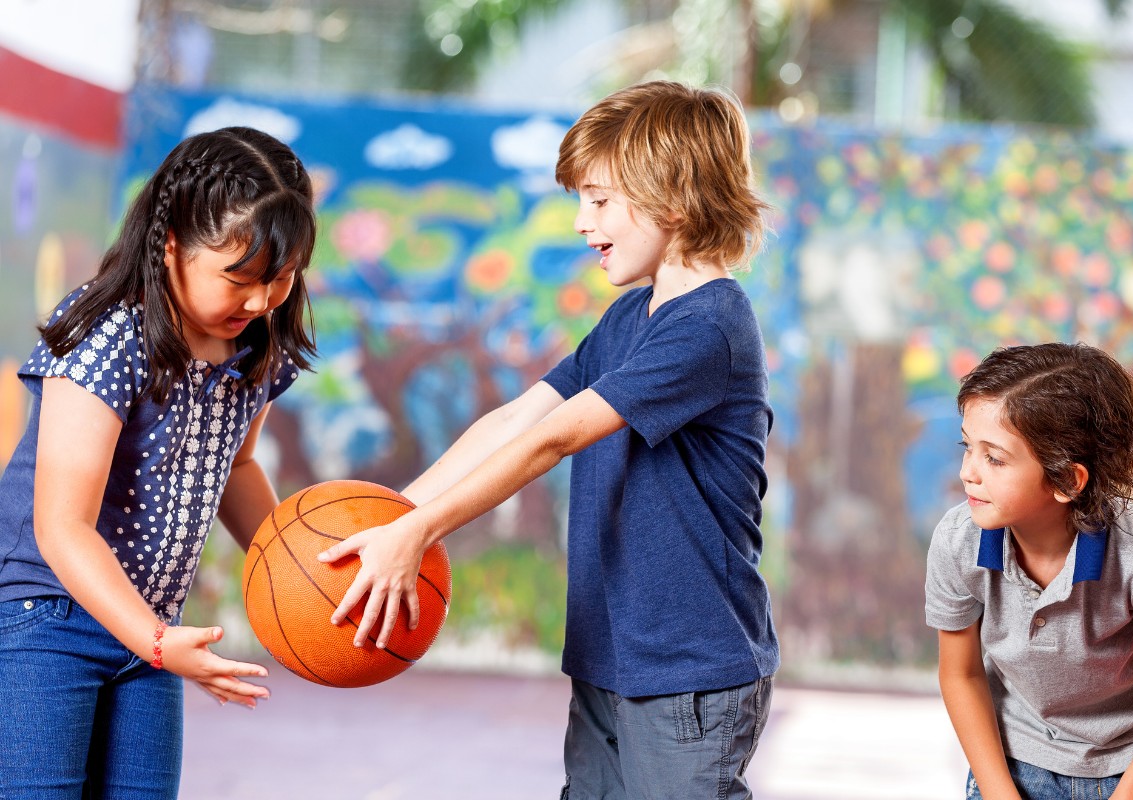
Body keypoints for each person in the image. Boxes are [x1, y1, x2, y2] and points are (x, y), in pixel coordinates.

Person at [317, 80, 778, 798]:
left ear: (675, 197)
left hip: (688, 674)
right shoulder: (631, 319)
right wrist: (390, 516)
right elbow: (515, 421)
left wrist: (422, 533)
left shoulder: (708, 327)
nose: (579, 222)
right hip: (610, 661)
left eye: (598, 199)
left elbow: (551, 442)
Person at [0, 127, 318, 799]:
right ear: (170, 244)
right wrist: (153, 640)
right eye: (241, 278)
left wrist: (300, 572)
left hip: (150, 625)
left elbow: (236, 467)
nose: (262, 300)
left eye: (282, 278)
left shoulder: (256, 347)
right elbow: (62, 528)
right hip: (45, 617)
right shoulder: (107, 338)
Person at [927, 343, 1133, 800]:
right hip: (1015, 762)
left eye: (993, 458)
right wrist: (999, 793)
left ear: (1066, 480)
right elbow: (961, 674)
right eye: (967, 446)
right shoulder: (959, 540)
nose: (967, 472)